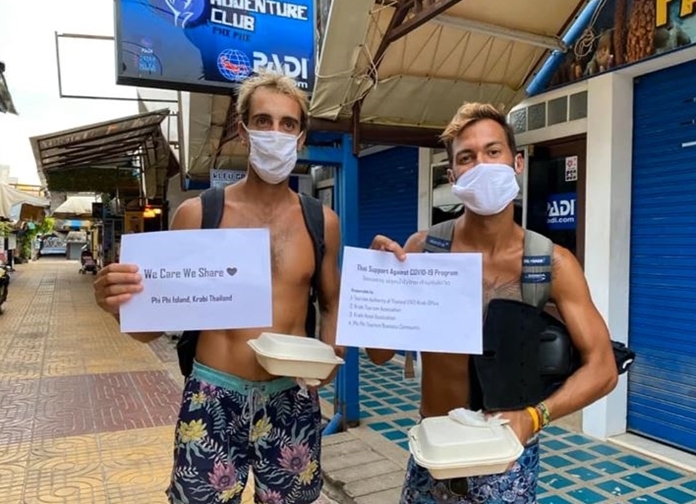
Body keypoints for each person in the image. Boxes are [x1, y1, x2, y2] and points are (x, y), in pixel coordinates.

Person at [93, 72, 343, 504]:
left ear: (301, 137)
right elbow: (150, 328)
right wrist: (118, 304)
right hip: (213, 395)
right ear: (243, 131)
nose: (275, 134)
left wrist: (331, 357)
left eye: (288, 124)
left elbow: (333, 299)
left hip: (291, 398)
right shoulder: (198, 214)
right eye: (263, 121)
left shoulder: (321, 221)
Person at [367, 102, 618, 503]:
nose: (481, 164)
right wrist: (381, 281)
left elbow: (603, 368)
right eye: (467, 157)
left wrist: (536, 416)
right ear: (452, 177)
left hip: (508, 458)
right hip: (435, 451)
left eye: (493, 151)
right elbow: (379, 355)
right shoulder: (424, 250)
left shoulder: (550, 263)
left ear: (516, 162)